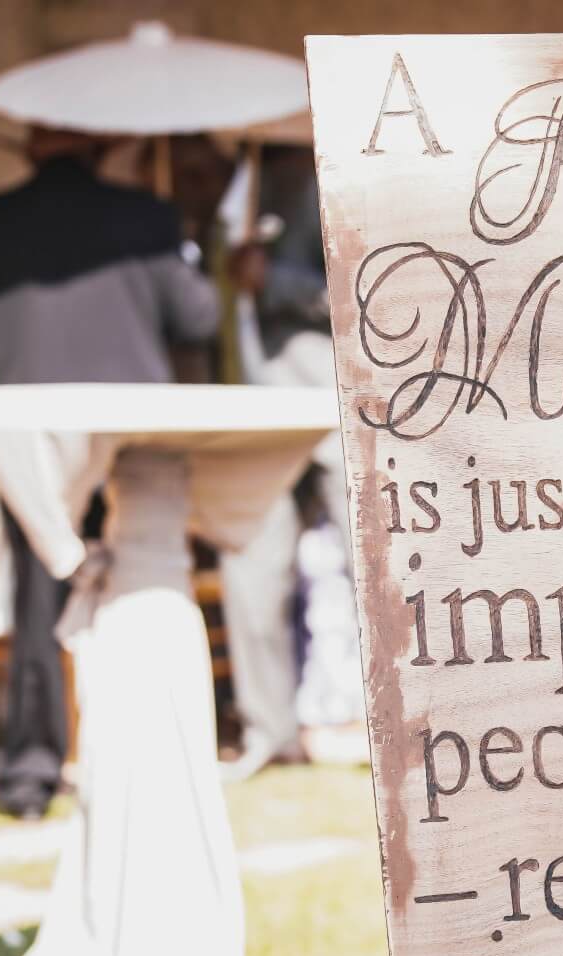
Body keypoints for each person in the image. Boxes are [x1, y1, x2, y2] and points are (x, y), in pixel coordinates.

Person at [0, 126, 221, 817]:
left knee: (39, 603)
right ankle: (147, 764)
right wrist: (188, 248)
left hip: (39, 440)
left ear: (30, 150)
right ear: (102, 148)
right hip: (137, 437)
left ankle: (30, 777)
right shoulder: (148, 218)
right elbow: (199, 317)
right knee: (141, 592)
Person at [216, 144, 348, 782]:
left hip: (328, 403)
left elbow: (358, 287)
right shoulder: (208, 204)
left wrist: (274, 282)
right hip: (251, 415)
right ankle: (269, 734)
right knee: (251, 568)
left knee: (372, 568)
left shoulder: (306, 179)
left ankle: (407, 730)